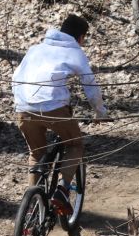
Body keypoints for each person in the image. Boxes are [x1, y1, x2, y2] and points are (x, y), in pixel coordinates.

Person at [12, 14, 107, 217]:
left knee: (36, 153)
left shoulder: (35, 49)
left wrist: (21, 101)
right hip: (53, 107)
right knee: (75, 145)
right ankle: (62, 191)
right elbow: (90, 85)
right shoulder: (75, 52)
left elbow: (16, 76)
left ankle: (33, 204)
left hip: (23, 107)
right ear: (80, 38)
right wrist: (100, 112)